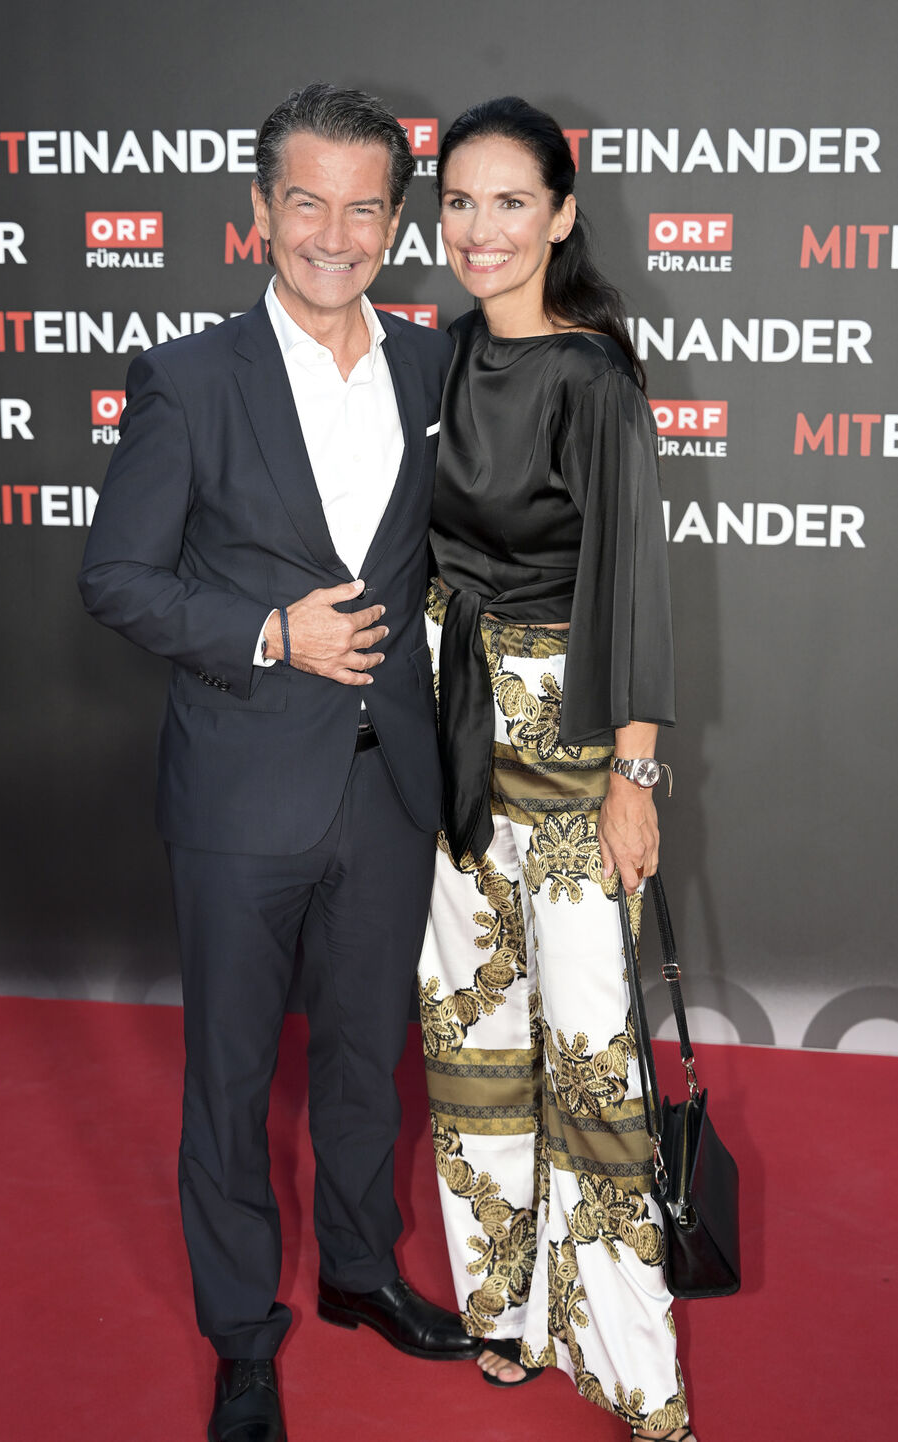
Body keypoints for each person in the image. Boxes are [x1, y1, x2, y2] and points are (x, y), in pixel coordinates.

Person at [79, 82, 480, 1442]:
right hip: (240, 786)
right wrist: (267, 631)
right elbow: (118, 577)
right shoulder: (190, 378)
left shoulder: (432, 368)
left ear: (394, 223)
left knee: (368, 1059)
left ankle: (361, 1268)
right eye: (305, 202)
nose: (332, 234)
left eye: (363, 209)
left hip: (389, 784)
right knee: (232, 1074)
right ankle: (241, 1333)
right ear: (259, 211)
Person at [417, 98, 695, 1440]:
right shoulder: (439, 356)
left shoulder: (591, 377)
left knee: (586, 1045)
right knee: (470, 1028)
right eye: (459, 202)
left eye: (510, 202)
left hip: (573, 738)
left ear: (562, 215)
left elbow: (631, 579)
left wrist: (636, 774)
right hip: (451, 721)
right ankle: (506, 1309)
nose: (480, 229)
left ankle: (633, 1367)